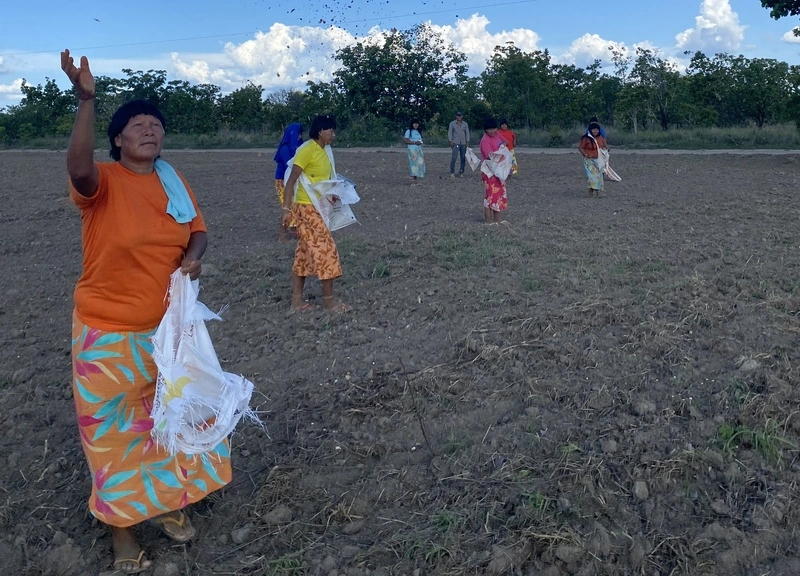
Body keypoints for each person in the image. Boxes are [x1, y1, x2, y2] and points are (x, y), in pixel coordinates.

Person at [61, 49, 232, 575]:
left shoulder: (172, 181)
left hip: (168, 334)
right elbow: (78, 167)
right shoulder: (104, 183)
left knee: (170, 422)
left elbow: (198, 229)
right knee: (112, 437)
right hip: (108, 336)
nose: (150, 130)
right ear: (118, 139)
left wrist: (194, 257)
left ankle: (165, 503)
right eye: (137, 125)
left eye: (156, 124)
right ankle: (122, 531)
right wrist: (87, 99)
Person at [281, 115, 350, 313]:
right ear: (320, 131)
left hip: (321, 205)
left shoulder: (326, 150)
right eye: (330, 130)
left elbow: (324, 179)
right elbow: (291, 180)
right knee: (326, 250)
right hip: (306, 207)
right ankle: (330, 303)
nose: (333, 135)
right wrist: (286, 209)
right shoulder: (307, 150)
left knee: (304, 253)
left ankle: (296, 301)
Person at [274, 122, 303, 240]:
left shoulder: (299, 147)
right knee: (287, 206)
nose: (300, 137)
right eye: (298, 134)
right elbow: (291, 166)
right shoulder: (285, 149)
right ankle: (282, 233)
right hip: (283, 182)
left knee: (296, 205)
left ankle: (294, 230)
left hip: (295, 180)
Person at [479, 117, 509, 225]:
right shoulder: (485, 140)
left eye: (494, 128)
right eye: (490, 129)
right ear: (486, 130)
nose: (493, 131)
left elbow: (505, 141)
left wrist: (504, 145)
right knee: (490, 195)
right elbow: (490, 156)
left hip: (499, 170)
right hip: (489, 170)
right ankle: (488, 220)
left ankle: (497, 220)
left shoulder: (497, 135)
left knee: (499, 195)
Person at [578, 121, 608, 198]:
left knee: (599, 175)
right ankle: (598, 193)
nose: (595, 131)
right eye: (593, 129)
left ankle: (590, 191)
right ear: (590, 130)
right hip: (588, 160)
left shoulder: (599, 137)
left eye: (597, 129)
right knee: (594, 176)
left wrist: (606, 150)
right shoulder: (586, 138)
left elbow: (603, 146)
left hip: (598, 159)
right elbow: (580, 147)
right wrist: (585, 154)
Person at [402, 118, 425, 186]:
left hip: (419, 149)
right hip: (412, 149)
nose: (416, 125)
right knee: (414, 164)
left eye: (417, 123)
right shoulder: (409, 131)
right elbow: (406, 141)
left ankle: (416, 179)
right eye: (414, 123)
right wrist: (414, 142)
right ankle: (412, 180)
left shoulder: (418, 131)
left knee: (419, 164)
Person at [448, 111, 470, 177]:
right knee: (454, 157)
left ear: (462, 116)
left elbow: (467, 133)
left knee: (463, 158)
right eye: (458, 115)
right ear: (456, 116)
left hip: (463, 143)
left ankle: (461, 172)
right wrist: (450, 141)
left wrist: (467, 142)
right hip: (456, 142)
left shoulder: (465, 124)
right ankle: (452, 171)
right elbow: (450, 132)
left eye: (460, 115)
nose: (459, 117)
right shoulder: (452, 123)